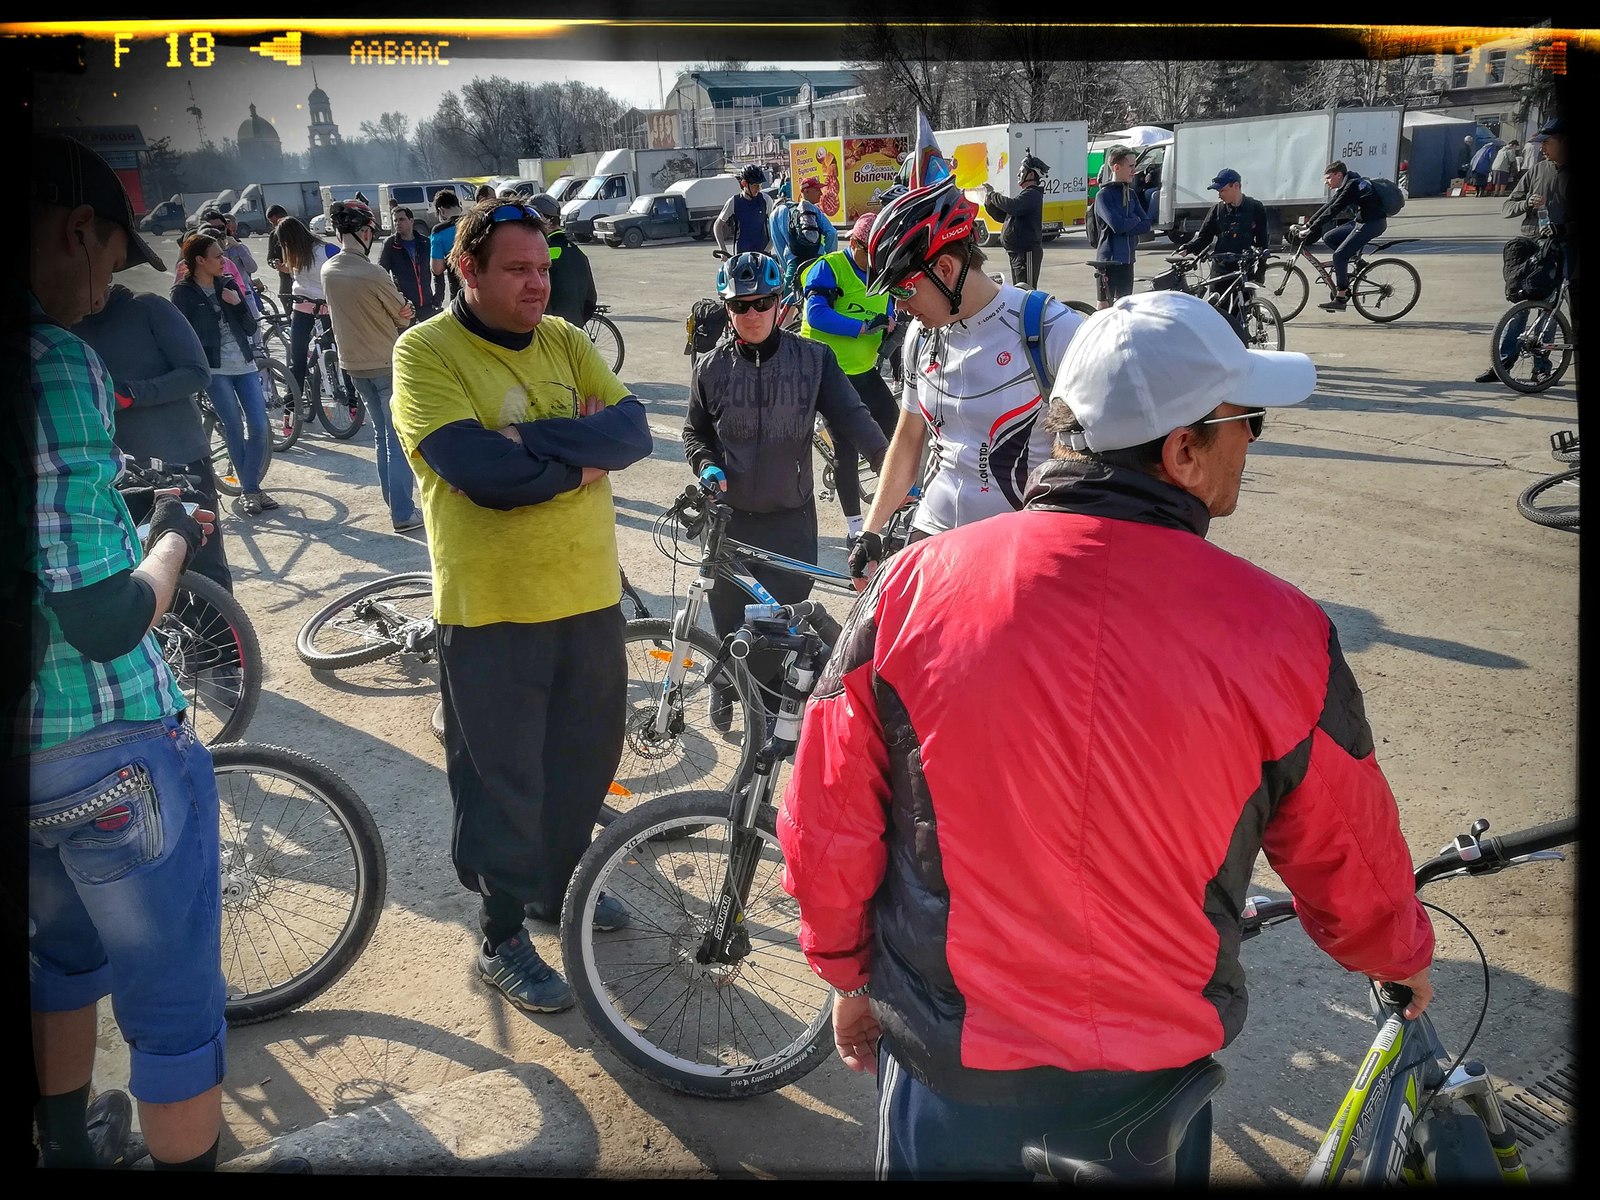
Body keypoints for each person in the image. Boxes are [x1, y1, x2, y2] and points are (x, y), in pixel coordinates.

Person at [778, 289, 1436, 1182]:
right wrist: (1397, 959)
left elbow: (827, 817)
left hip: (949, 1062)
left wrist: (848, 976)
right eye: (1248, 421)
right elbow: (1346, 847)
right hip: (1149, 1089)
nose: (1253, 440)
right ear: (1184, 451)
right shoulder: (1282, 633)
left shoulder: (912, 588)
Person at [19, 132, 230, 1173]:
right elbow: (103, 619)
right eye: (109, 255)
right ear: (75, 230)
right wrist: (177, 534)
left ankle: (64, 1142)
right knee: (174, 1011)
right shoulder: (54, 360)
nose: (106, 283)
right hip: (103, 746)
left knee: (60, 960)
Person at [389, 199, 653, 1015]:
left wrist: (533, 444)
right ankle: (501, 935)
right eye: (516, 269)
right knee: (503, 782)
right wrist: (577, 457)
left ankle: (552, 886)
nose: (538, 284)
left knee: (583, 763)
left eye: (543, 268)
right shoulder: (425, 351)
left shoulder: (567, 340)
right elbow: (480, 474)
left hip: (587, 597)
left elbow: (634, 433)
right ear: (466, 270)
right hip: (491, 611)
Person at [683, 250, 888, 723]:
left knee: (783, 636)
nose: (751, 314)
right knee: (731, 626)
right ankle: (726, 686)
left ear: (781, 304)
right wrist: (705, 464)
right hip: (729, 524)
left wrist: (894, 470)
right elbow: (695, 432)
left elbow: (854, 419)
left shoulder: (814, 361)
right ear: (726, 307)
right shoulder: (710, 368)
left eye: (762, 302)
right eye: (739, 305)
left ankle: (775, 718)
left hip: (790, 520)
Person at [846, 179, 1083, 585]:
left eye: (903, 290)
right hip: (931, 536)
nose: (899, 307)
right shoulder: (922, 337)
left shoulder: (1052, 331)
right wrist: (871, 528)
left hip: (1014, 553)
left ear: (945, 269)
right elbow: (907, 438)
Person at [72, 280, 233, 593]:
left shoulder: (149, 308)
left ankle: (225, 643)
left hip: (179, 460)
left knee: (202, 564)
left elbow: (197, 372)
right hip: (116, 473)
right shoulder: (65, 329)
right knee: (141, 567)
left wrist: (132, 394)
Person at [320, 199, 422, 532]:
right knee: (398, 439)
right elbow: (402, 313)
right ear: (365, 232)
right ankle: (403, 512)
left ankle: (395, 502)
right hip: (385, 361)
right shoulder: (373, 273)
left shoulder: (329, 270)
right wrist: (402, 309)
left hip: (354, 365)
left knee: (381, 435)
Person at [797, 215, 899, 539]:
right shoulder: (830, 268)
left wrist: (891, 320)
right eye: (871, 253)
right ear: (854, 244)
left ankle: (899, 505)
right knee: (847, 447)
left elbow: (890, 302)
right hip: (828, 374)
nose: (876, 262)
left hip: (864, 369)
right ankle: (856, 530)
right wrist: (861, 327)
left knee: (896, 434)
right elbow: (815, 313)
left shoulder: (883, 268)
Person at [170, 231, 275, 517]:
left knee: (260, 426)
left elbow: (252, 328)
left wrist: (237, 303)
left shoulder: (228, 284)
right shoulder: (183, 293)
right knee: (234, 426)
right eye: (217, 256)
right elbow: (180, 336)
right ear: (200, 260)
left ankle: (249, 488)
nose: (224, 260)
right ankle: (252, 491)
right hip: (215, 370)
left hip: (245, 364)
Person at [1478, 117, 1573, 384]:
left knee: (1550, 307)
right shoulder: (1537, 171)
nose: (1543, 148)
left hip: (1562, 249)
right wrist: (1526, 204)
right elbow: (1508, 206)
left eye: (1548, 143)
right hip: (1533, 245)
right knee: (1522, 300)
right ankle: (1503, 363)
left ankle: (1542, 366)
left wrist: (1563, 228)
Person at [1186, 167, 1271, 339]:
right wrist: (1189, 248)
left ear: (1236, 186)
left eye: (1222, 190)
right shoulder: (1217, 210)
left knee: (1241, 314)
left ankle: (1241, 348)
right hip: (1221, 268)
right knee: (1218, 314)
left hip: (1243, 268)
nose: (1219, 195)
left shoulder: (1255, 208)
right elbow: (1204, 238)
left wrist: (1260, 270)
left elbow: (1263, 242)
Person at [1294, 160, 1387, 313]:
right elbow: (1329, 205)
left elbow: (1334, 211)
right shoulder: (1348, 183)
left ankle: (1341, 298)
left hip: (1373, 224)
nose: (1326, 182)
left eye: (1328, 178)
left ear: (1338, 175)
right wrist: (1308, 225)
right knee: (1329, 237)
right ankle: (1356, 260)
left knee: (1339, 256)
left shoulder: (1352, 185)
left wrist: (1311, 229)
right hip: (1361, 221)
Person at [274, 215, 340, 402]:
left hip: (316, 307)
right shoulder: (303, 252)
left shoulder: (324, 250)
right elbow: (296, 271)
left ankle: (295, 401)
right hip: (311, 307)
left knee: (311, 355)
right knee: (309, 354)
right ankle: (294, 402)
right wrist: (284, 268)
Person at [1090, 144, 1153, 308]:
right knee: (1104, 308)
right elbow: (1116, 225)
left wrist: (1130, 222)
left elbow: (1146, 224)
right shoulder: (1103, 195)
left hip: (1127, 260)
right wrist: (1134, 220)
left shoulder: (1131, 194)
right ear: (1116, 167)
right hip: (1108, 261)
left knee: (1125, 306)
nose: (1135, 171)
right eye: (1131, 166)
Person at [524, 192, 598, 329]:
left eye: (534, 218)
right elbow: (590, 300)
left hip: (548, 334)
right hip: (575, 334)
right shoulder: (577, 252)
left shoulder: (541, 254)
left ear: (547, 220)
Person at [981, 155, 1046, 289]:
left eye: (1022, 172)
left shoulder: (1032, 194)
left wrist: (993, 195)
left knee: (1027, 291)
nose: (1018, 174)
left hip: (1026, 253)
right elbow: (1004, 217)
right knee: (1019, 290)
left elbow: (1013, 206)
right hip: (1017, 254)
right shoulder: (1025, 195)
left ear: (1031, 174)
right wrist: (989, 205)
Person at [770, 176, 838, 293]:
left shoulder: (777, 214)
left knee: (787, 302)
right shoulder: (815, 210)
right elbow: (832, 233)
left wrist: (787, 267)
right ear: (805, 191)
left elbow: (779, 245)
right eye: (817, 190)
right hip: (816, 258)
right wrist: (828, 257)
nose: (821, 193)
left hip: (794, 262)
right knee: (820, 295)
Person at [378, 206, 437, 323]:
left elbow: (437, 270)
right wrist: (395, 297)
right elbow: (381, 274)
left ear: (411, 221)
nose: (397, 223)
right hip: (404, 306)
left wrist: (438, 296)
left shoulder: (425, 242)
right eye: (395, 220)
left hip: (427, 303)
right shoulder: (390, 244)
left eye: (401, 219)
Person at [713, 165, 772, 257]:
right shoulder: (734, 201)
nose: (759, 189)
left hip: (763, 255)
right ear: (744, 184)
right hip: (741, 256)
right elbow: (718, 225)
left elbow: (775, 228)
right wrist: (723, 250)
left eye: (760, 185)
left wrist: (767, 250)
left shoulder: (766, 200)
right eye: (755, 185)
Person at [429, 189, 464, 307]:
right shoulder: (477, 222)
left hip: (459, 293)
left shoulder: (439, 231)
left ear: (441, 211)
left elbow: (437, 269)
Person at [265, 203, 294, 311]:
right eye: (272, 223)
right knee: (285, 298)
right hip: (285, 277)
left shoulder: (297, 232)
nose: (275, 226)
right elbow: (270, 258)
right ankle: (290, 322)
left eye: (276, 222)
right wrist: (275, 263)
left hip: (300, 275)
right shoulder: (273, 235)